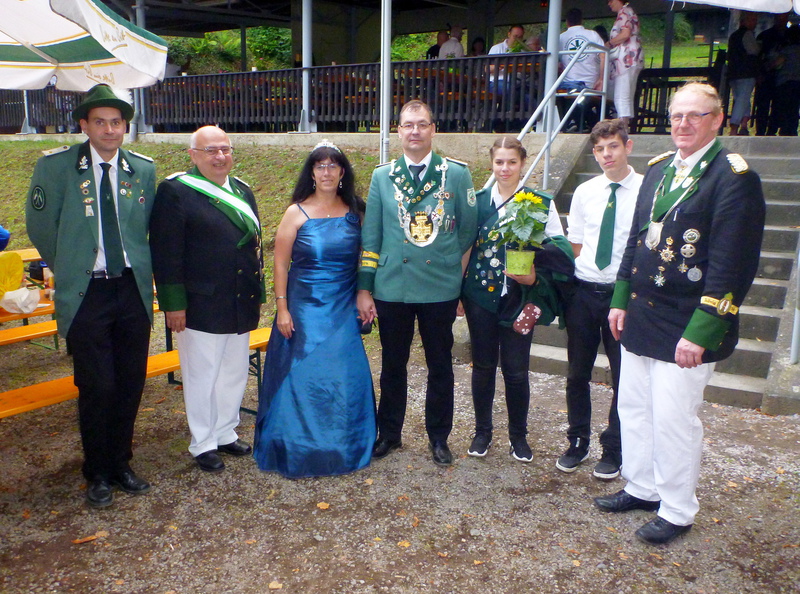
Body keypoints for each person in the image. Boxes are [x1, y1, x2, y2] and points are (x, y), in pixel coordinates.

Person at [595, 83, 765, 545]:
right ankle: (642, 485)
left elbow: (733, 265)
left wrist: (703, 331)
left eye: (695, 115)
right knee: (634, 408)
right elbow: (636, 241)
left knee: (674, 419)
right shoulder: (658, 170)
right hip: (642, 314)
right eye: (676, 116)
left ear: (718, 119)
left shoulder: (733, 177)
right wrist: (619, 298)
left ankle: (676, 509)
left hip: (687, 322)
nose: (683, 124)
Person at [25, 84, 156, 508]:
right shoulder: (58, 167)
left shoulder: (142, 170)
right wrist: (69, 265)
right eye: (100, 122)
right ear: (84, 125)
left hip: (131, 289)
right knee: (97, 384)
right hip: (87, 291)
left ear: (125, 127)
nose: (109, 130)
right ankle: (97, 471)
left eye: (116, 122)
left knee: (130, 381)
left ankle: (121, 464)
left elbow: (145, 226)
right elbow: (40, 225)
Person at [357, 100, 478, 467]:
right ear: (398, 131)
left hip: (439, 286)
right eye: (408, 125)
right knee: (393, 364)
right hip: (393, 285)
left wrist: (448, 264)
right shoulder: (383, 176)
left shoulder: (455, 174)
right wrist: (365, 288)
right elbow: (372, 236)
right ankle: (389, 433)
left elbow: (468, 229)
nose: (415, 131)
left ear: (433, 129)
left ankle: (438, 437)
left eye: (422, 124)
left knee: (440, 365)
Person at [253, 141, 376, 478]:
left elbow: (368, 257)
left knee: (344, 373)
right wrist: (282, 308)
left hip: (342, 306)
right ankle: (295, 446)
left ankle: (344, 445)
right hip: (303, 309)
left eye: (333, 165)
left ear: (342, 172)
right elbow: (280, 265)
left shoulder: (357, 213)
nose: (326, 172)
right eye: (320, 166)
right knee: (303, 377)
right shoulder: (296, 213)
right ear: (311, 173)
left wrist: (365, 293)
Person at [150, 126, 264, 473]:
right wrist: (173, 304)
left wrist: (257, 293)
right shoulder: (176, 192)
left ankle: (225, 431)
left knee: (234, 372)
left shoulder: (241, 189)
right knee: (202, 375)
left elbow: (253, 247)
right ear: (193, 155)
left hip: (239, 299)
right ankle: (203, 442)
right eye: (210, 150)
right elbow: (166, 252)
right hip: (200, 303)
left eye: (225, 149)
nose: (219, 156)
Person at [462, 137, 569, 463]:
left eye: (511, 162)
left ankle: (518, 436)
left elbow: (561, 250)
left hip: (521, 299)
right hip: (479, 295)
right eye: (499, 162)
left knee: (517, 370)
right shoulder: (478, 202)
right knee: (483, 366)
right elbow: (466, 247)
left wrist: (534, 273)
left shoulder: (539, 202)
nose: (505, 168)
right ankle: (482, 432)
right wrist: (457, 293)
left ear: (523, 163)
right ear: (491, 164)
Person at [557, 119, 642, 480]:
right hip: (585, 292)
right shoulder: (586, 191)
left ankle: (615, 447)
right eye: (600, 149)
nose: (607, 155)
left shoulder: (646, 190)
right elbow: (576, 242)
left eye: (613, 147)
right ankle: (577, 440)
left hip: (622, 297)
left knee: (624, 376)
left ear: (628, 147)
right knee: (577, 372)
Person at [607, 0, 643, 126]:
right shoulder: (630, 12)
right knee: (627, 93)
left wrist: (609, 43)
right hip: (634, 57)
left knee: (621, 93)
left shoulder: (624, 12)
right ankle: (625, 124)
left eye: (611, 0)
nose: (609, 3)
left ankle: (622, 126)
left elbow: (625, 33)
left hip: (625, 58)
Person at [755, 12, 790, 136]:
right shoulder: (765, 35)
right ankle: (760, 131)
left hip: (783, 77)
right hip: (765, 75)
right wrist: (759, 72)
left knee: (778, 106)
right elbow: (757, 56)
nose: (782, 20)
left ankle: (772, 131)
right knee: (763, 105)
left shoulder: (791, 36)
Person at [726, 11, 760, 136]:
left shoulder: (733, 36)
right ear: (744, 21)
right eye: (752, 20)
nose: (755, 23)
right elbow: (754, 50)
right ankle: (734, 127)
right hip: (746, 72)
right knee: (742, 99)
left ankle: (744, 125)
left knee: (740, 99)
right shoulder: (747, 34)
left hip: (733, 73)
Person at [770, 24, 800, 136]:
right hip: (798, 83)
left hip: (785, 82)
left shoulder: (787, 50)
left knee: (783, 107)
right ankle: (792, 130)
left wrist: (769, 65)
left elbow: (777, 63)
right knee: (794, 108)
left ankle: (783, 129)